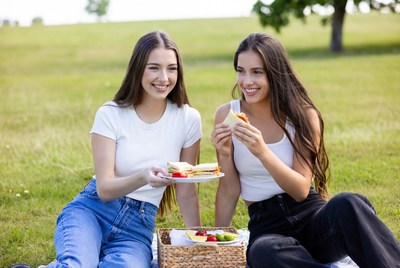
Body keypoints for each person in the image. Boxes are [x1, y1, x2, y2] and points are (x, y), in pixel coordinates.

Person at [211, 32, 400, 268]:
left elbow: (301, 189)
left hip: (313, 220)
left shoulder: (303, 116)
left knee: (349, 203)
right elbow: (229, 189)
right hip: (268, 228)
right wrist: (215, 242)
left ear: (275, 72)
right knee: (263, 252)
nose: (246, 81)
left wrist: (262, 151)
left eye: (257, 72)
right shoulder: (226, 115)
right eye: (241, 70)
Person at [40, 30, 202, 267]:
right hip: (92, 212)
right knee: (77, 264)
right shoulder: (110, 114)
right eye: (154, 67)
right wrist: (143, 177)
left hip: (137, 229)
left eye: (172, 68)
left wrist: (199, 240)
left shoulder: (188, 119)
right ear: (138, 69)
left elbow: (186, 191)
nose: (164, 77)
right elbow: (105, 189)